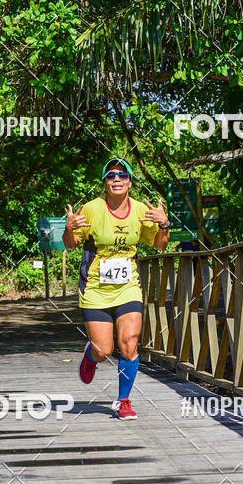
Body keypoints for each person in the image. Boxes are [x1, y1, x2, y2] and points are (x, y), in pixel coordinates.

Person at [63, 157, 170, 420]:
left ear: (130, 182)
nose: (117, 179)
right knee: (104, 350)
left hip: (128, 286)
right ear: (104, 183)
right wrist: (68, 229)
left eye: (122, 175)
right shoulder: (91, 208)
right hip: (96, 288)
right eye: (110, 175)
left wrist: (164, 224)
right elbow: (70, 244)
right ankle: (91, 355)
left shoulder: (139, 211)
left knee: (129, 344)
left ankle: (124, 401)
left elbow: (160, 245)